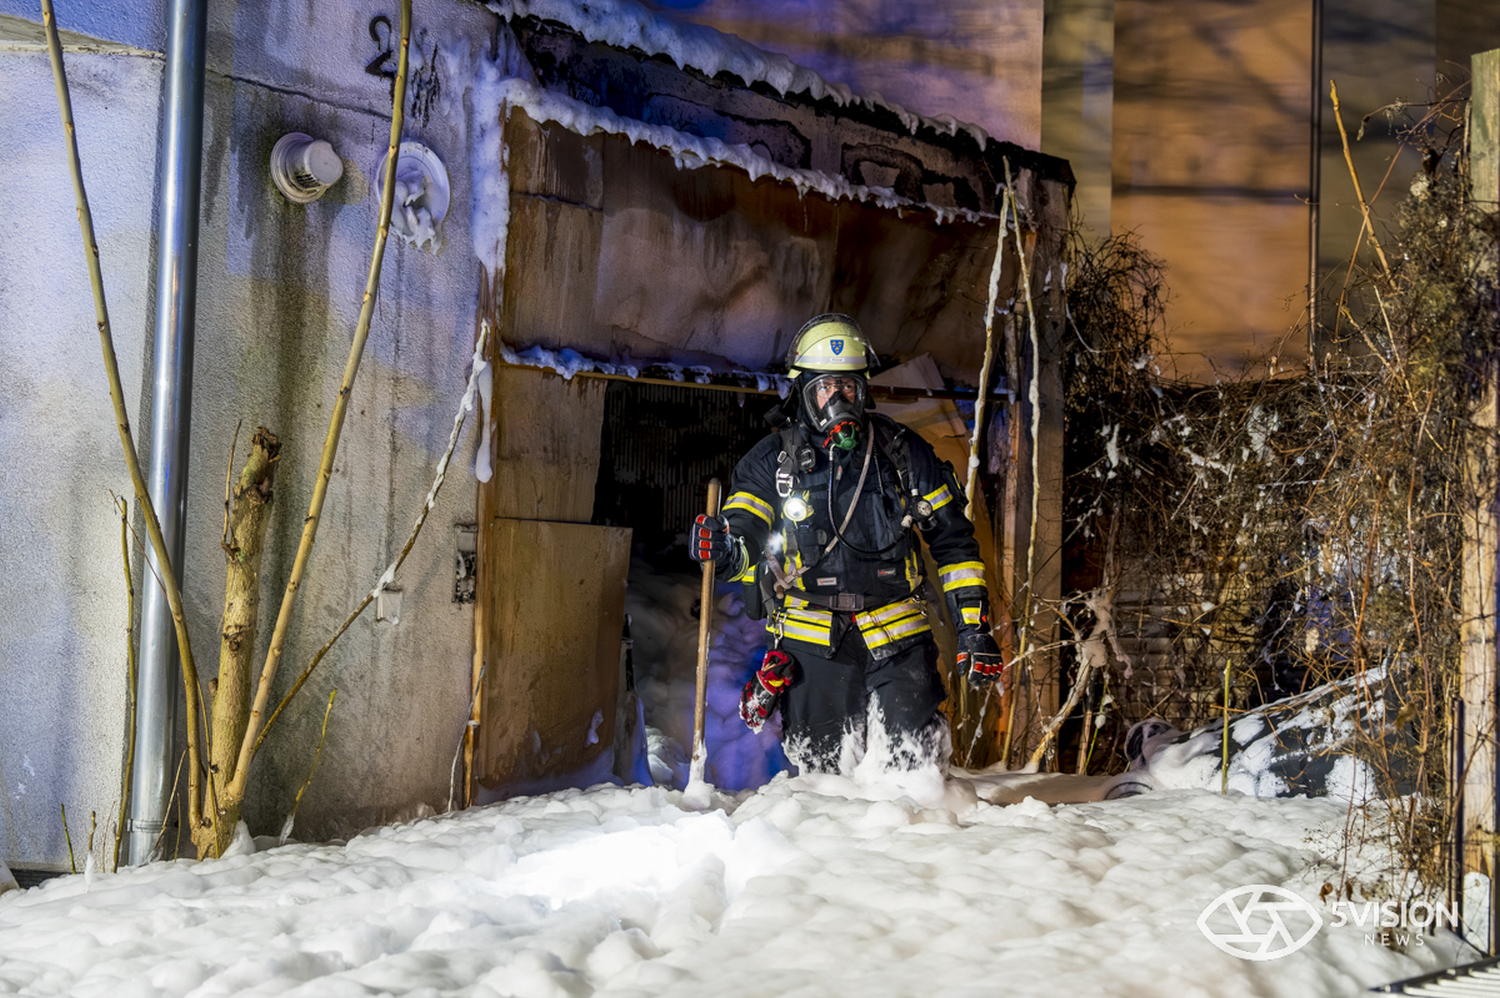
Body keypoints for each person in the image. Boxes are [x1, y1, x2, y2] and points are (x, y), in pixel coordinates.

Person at [690, 313, 1005, 774]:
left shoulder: (902, 453)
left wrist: (974, 628)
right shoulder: (771, 462)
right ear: (802, 393)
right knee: (824, 784)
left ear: (864, 390)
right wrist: (726, 551)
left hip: (898, 638)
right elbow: (747, 536)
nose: (837, 399)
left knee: (916, 772)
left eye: (848, 388)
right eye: (824, 388)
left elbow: (955, 544)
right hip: (812, 644)